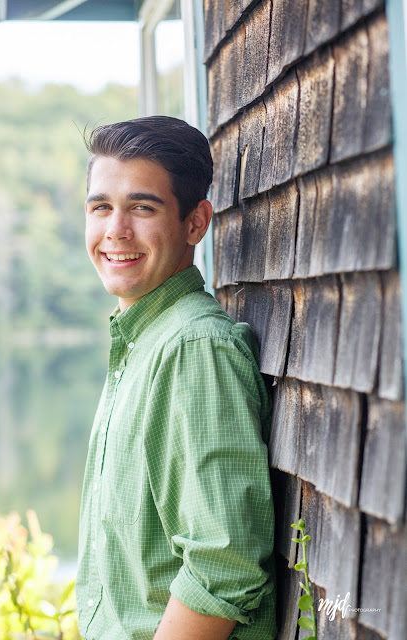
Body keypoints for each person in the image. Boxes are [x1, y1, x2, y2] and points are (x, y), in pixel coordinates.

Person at [75, 116, 276, 640]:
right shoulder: (142, 343)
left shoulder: (193, 349)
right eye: (101, 207)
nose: (115, 231)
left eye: (142, 207)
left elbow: (224, 567)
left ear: (195, 222)